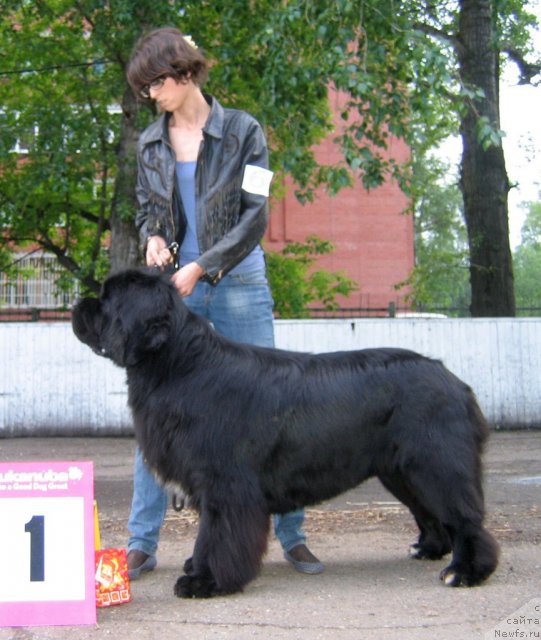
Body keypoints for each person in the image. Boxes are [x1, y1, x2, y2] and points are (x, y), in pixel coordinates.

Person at [125, 27, 324, 581]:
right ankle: (141, 541)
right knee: (155, 417)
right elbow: (148, 210)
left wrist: (204, 265)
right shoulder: (149, 143)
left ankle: (293, 537)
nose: (150, 95)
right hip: (171, 298)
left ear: (184, 74)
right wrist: (154, 239)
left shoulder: (244, 131)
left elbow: (255, 216)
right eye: (143, 90)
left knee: (272, 409)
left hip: (237, 285)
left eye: (155, 84)